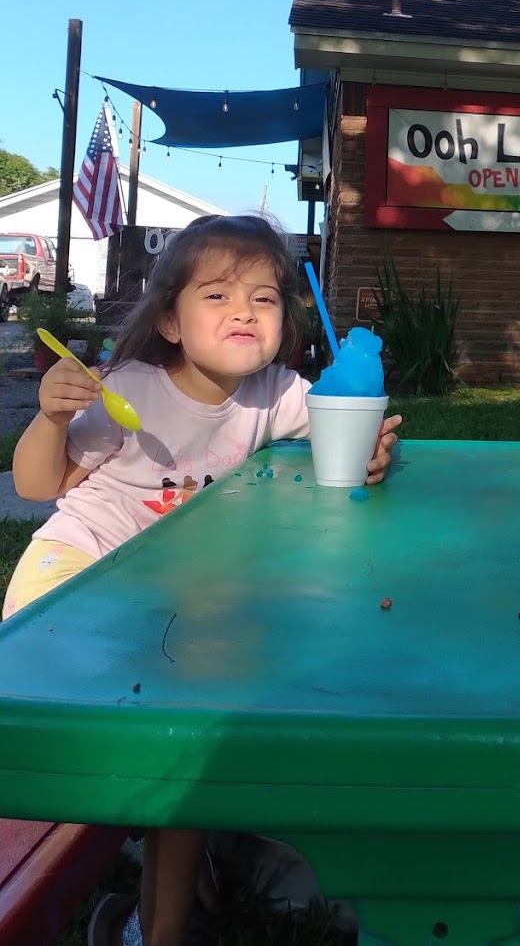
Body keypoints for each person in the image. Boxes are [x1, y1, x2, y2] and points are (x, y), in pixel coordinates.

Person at [3, 213, 402, 946]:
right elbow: (38, 483)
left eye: (264, 296)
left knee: (181, 729)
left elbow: (335, 428)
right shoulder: (130, 387)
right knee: (41, 712)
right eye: (217, 295)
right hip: (83, 566)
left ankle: (162, 926)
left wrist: (371, 446)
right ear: (171, 321)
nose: (245, 310)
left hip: (176, 589)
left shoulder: (278, 392)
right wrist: (51, 420)